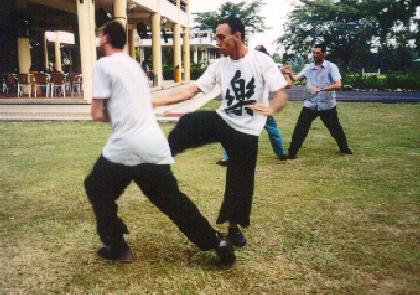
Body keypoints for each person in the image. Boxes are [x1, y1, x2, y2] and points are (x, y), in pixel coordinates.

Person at [84, 21, 235, 266]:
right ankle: (217, 242)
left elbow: (97, 113)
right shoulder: (134, 66)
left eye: (100, 35)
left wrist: (118, 113)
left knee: (96, 186)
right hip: (153, 143)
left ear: (104, 38)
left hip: (126, 145)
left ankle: (117, 244)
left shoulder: (103, 65)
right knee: (172, 201)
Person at [153, 17, 288, 247]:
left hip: (247, 132)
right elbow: (190, 92)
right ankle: (161, 158)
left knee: (240, 182)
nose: (217, 42)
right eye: (216, 36)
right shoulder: (219, 65)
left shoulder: (262, 61)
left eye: (221, 37)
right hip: (224, 121)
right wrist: (153, 101)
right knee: (192, 121)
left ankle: (233, 228)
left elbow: (281, 93)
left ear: (237, 37)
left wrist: (272, 108)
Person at [216, 45, 289, 166]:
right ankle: (227, 157)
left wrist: (284, 71)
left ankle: (281, 153)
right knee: (235, 129)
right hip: (245, 106)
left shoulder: (266, 65)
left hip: (261, 108)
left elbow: (281, 80)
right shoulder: (247, 66)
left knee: (272, 131)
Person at [282, 43, 352, 159]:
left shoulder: (331, 67)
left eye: (317, 53)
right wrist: (289, 73)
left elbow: (338, 85)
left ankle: (345, 149)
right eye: (313, 53)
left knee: (335, 129)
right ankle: (291, 153)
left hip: (327, 105)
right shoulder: (308, 67)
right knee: (300, 129)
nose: (314, 55)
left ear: (324, 54)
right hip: (311, 104)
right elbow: (296, 78)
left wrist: (319, 89)